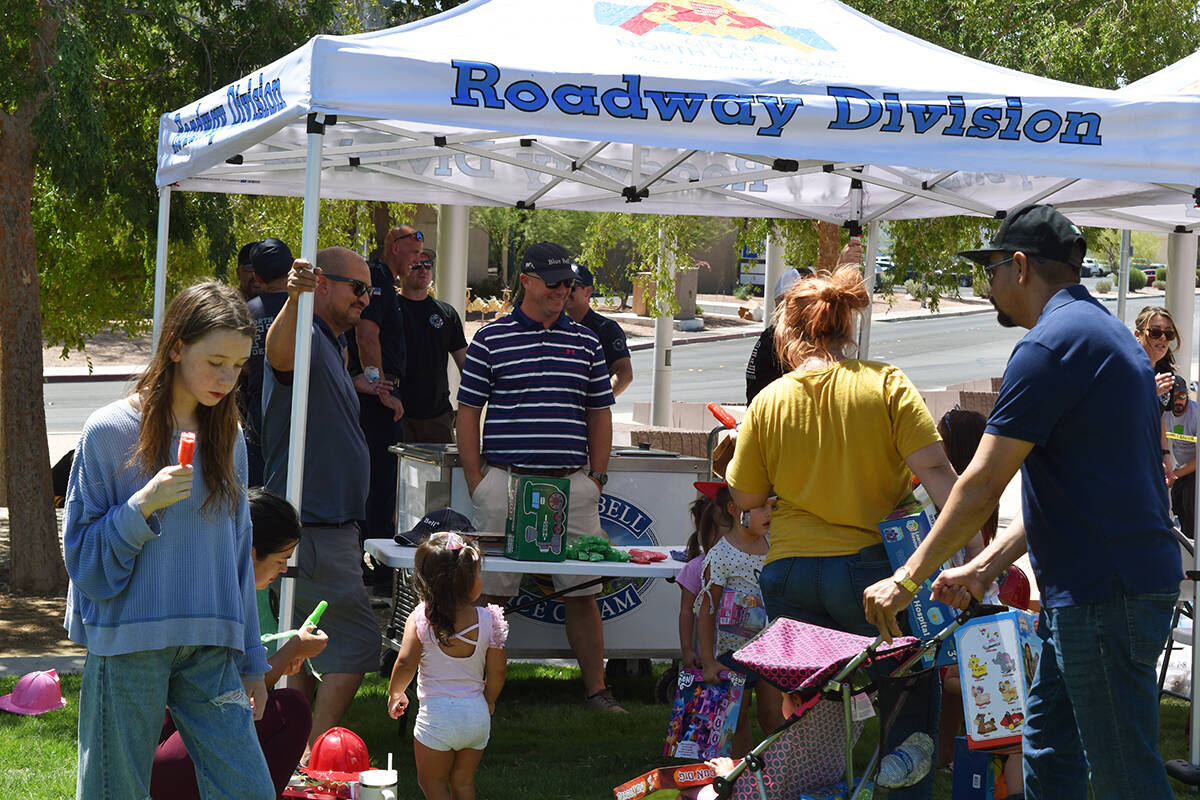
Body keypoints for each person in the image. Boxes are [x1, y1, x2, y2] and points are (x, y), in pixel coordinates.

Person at [863, 203, 1183, 800]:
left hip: (1103, 593)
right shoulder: (1109, 336)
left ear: (1019, 266)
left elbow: (980, 483)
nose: (986, 285)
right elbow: (1080, 492)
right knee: (1048, 750)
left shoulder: (1048, 349)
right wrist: (985, 565)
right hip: (1097, 588)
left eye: (989, 270)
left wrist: (908, 577)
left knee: (1123, 773)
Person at [725, 257, 958, 798]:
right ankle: (896, 783)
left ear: (788, 332)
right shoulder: (886, 383)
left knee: (816, 707)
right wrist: (974, 548)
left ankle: (815, 788)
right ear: (847, 327)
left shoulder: (767, 401)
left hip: (789, 574)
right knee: (908, 688)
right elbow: (939, 472)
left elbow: (746, 498)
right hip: (873, 573)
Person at [62, 282, 275, 799]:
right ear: (176, 345)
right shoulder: (109, 431)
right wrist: (142, 507)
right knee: (115, 791)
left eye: (239, 366)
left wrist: (251, 658)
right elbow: (84, 561)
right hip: (129, 643)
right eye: (216, 361)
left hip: (210, 646)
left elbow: (237, 557)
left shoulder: (228, 439)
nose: (227, 379)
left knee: (249, 789)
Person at [456, 241, 622, 712]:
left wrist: (597, 477)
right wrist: (477, 479)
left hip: (571, 484)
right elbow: (468, 413)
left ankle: (597, 690)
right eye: (554, 283)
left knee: (583, 593)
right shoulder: (489, 339)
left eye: (568, 283)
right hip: (503, 481)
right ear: (526, 282)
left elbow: (599, 414)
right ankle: (476, 690)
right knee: (488, 595)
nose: (563, 291)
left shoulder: (587, 341)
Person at [262, 248, 395, 750]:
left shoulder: (330, 343)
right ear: (322, 284)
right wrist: (295, 298)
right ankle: (316, 751)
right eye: (357, 288)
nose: (366, 298)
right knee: (359, 639)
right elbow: (277, 353)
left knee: (300, 645)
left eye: (370, 290)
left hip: (319, 524)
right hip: (315, 524)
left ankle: (291, 741)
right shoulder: (304, 333)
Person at [151, 488, 328, 800]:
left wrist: (288, 654)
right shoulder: (221, 601)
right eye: (281, 559)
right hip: (170, 759)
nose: (284, 569)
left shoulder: (203, 581)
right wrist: (294, 648)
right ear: (249, 549)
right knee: (293, 709)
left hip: (162, 748)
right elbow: (236, 693)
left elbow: (241, 689)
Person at [387, 532, 508, 800]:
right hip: (476, 716)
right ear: (470, 583)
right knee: (463, 783)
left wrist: (396, 692)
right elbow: (498, 671)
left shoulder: (420, 619)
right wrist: (488, 701)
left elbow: (406, 662)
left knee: (433, 784)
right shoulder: (490, 621)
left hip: (437, 719)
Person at [347, 225, 419, 576]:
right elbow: (366, 331)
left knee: (381, 484)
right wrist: (379, 386)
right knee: (379, 486)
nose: (417, 261)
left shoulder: (385, 282)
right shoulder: (375, 277)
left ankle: (373, 566)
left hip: (383, 391)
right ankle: (375, 570)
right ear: (394, 247)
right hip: (377, 397)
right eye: (413, 253)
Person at [694, 485, 781, 757]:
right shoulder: (719, 556)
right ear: (734, 510)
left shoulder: (776, 545)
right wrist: (708, 661)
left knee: (776, 721)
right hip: (732, 656)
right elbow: (707, 609)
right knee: (735, 722)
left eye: (772, 507)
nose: (769, 513)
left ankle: (778, 778)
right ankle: (740, 781)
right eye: (761, 507)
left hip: (770, 652)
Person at [398, 248, 468, 443]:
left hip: (438, 417)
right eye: (416, 265)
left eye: (427, 265)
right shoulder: (389, 311)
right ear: (401, 271)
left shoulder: (446, 313)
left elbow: (466, 364)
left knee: (441, 474)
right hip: (397, 414)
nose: (423, 270)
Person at [241, 236, 294, 486]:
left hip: (259, 412)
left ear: (258, 278)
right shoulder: (309, 309)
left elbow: (239, 364)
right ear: (292, 266)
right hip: (300, 410)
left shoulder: (245, 313)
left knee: (259, 494)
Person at [678, 481, 736, 675]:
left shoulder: (743, 565)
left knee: (736, 699)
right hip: (706, 657)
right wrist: (687, 650)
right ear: (709, 535)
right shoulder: (695, 568)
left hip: (739, 652)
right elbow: (686, 611)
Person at [566, 264, 634, 398]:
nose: (565, 291)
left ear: (588, 291)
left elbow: (624, 374)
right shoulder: (554, 326)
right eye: (561, 285)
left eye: (571, 286)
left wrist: (598, 403)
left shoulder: (606, 329)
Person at [1134, 305, 1181, 485]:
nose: (1162, 338)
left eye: (1168, 334)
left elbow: (1158, 415)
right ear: (1138, 335)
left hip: (1149, 457)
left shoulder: (1163, 370)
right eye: (1155, 332)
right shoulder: (1126, 368)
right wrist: (1147, 393)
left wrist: (1165, 456)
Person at [1166, 374, 1197, 539]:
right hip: (1181, 468)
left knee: (1189, 500)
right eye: (1174, 396)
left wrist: (1175, 474)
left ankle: (1193, 544)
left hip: (1195, 469)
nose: (1178, 401)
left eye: (1182, 396)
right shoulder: (1165, 414)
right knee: (1177, 502)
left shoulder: (1196, 415)